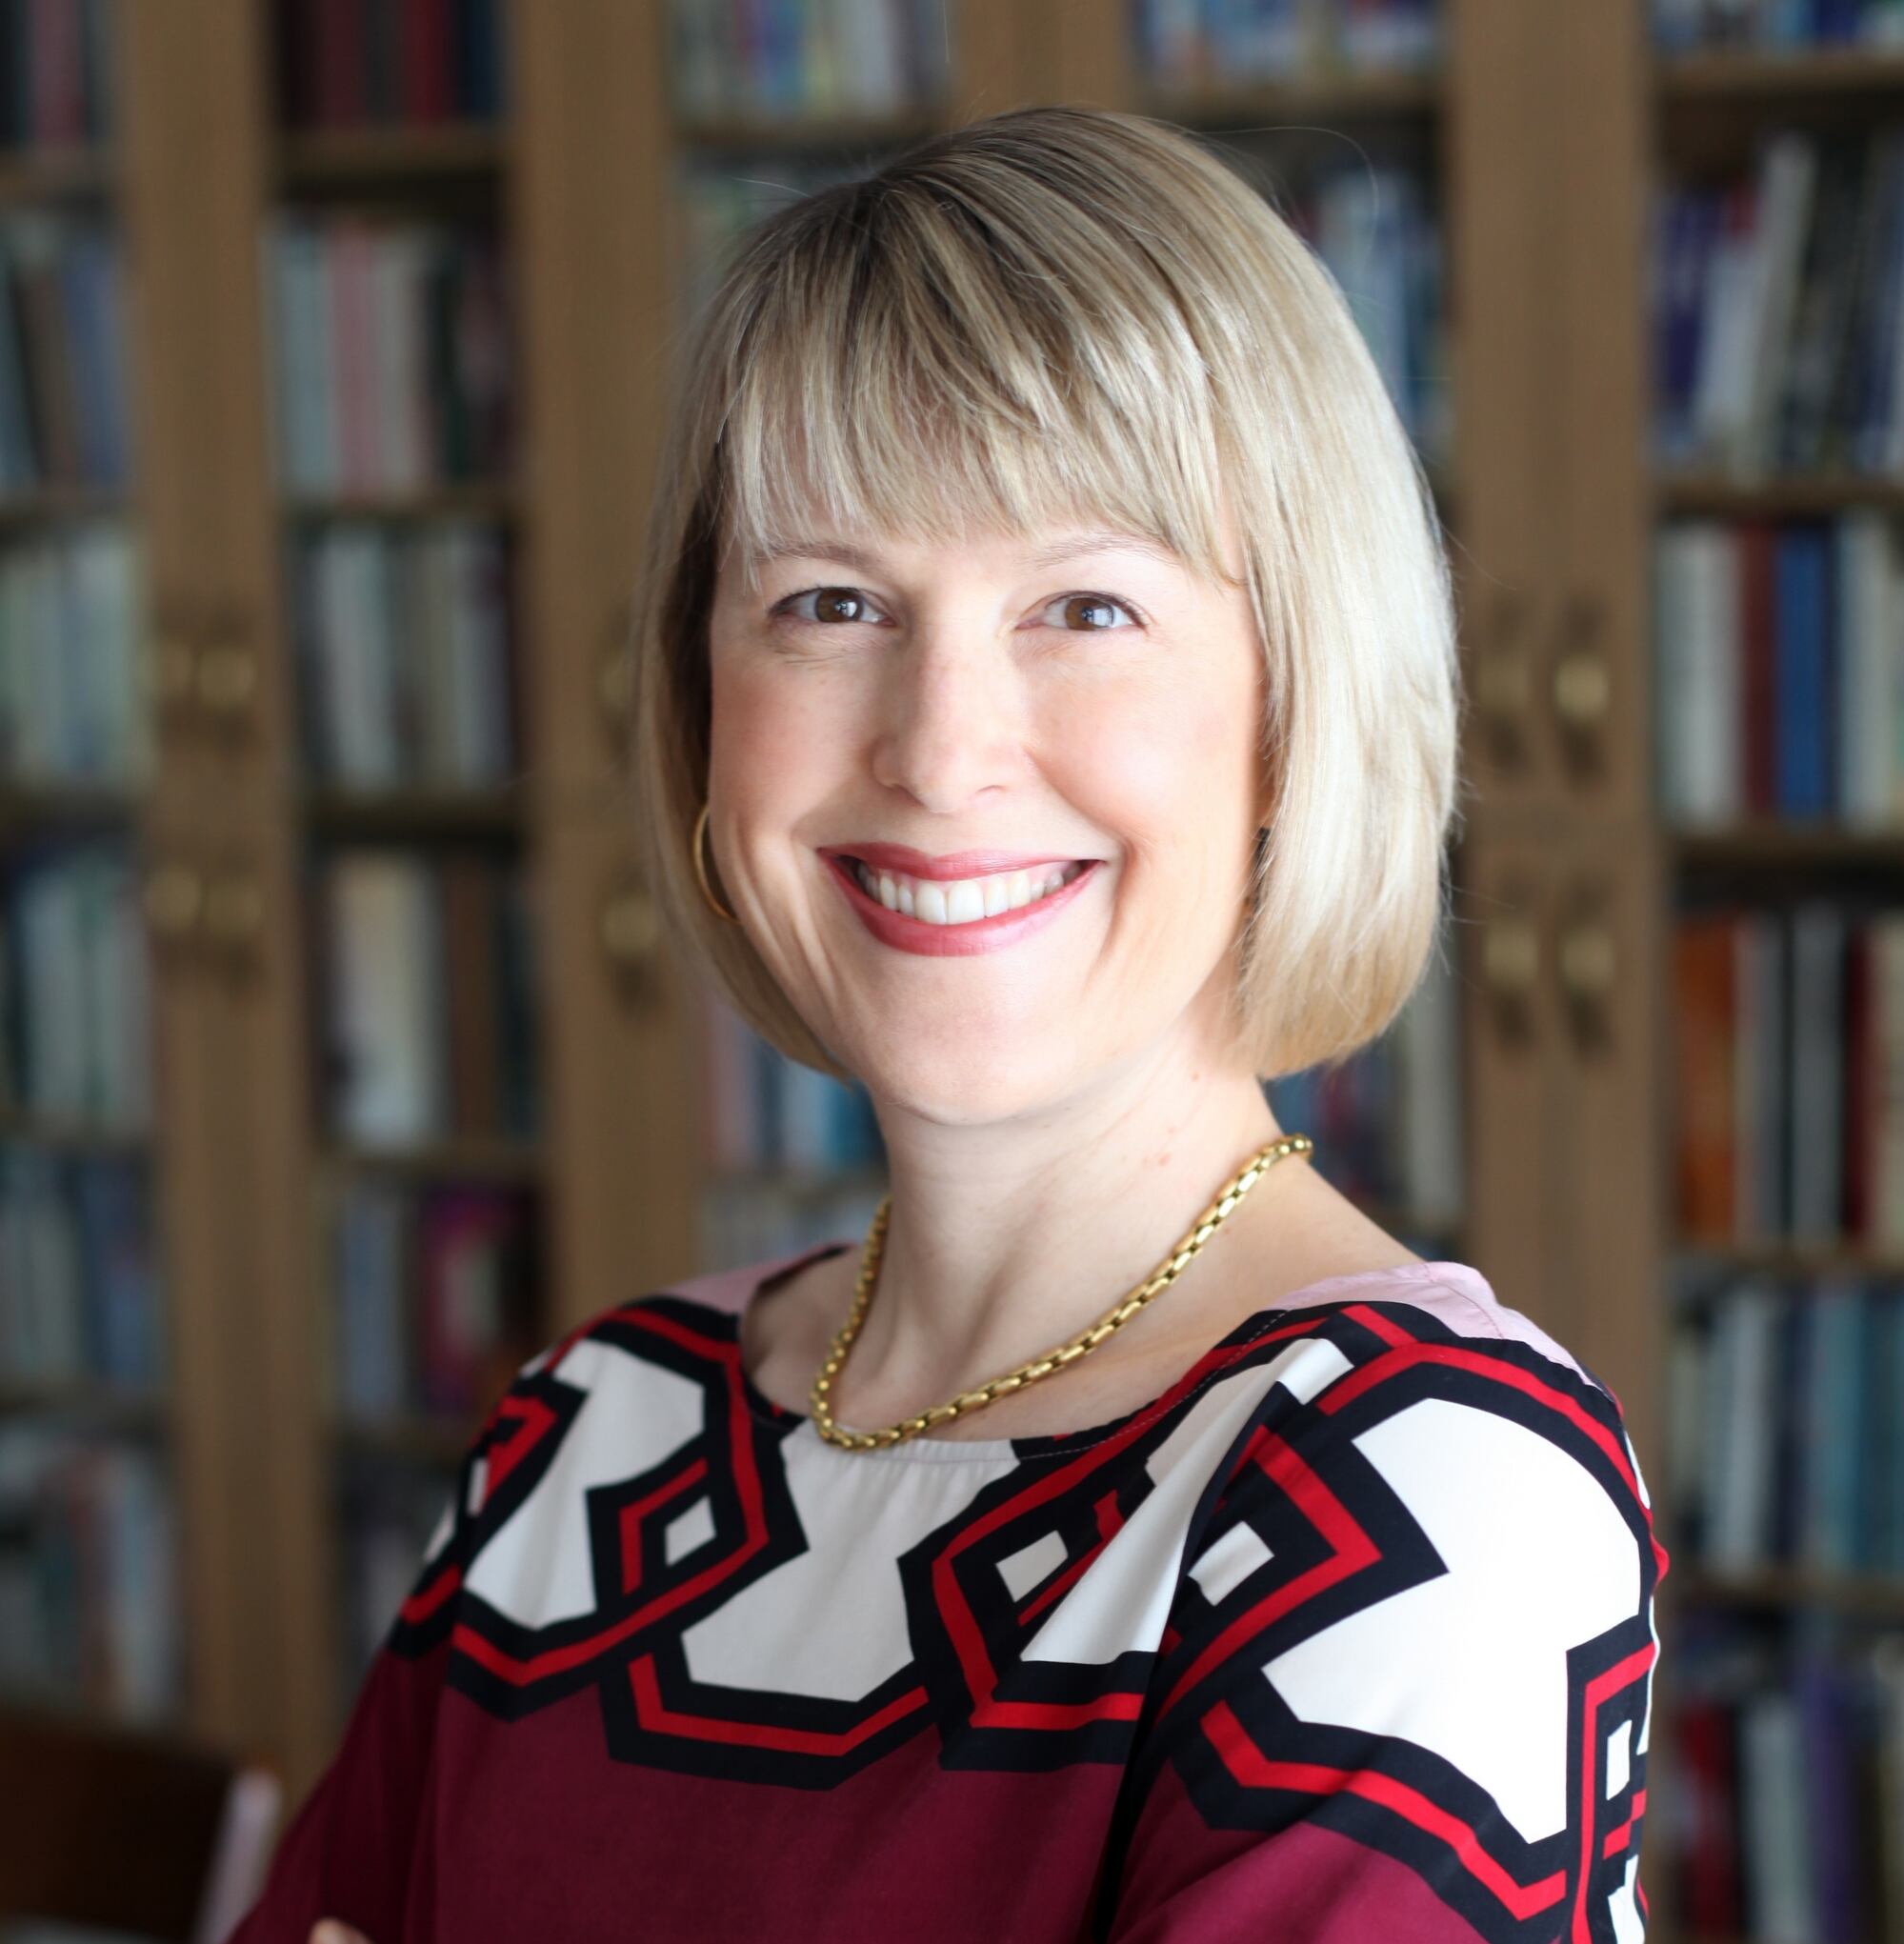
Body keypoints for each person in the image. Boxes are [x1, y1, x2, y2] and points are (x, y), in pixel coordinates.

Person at [236, 103, 1667, 1941]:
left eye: (1085, 604)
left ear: (1294, 712)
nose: (936, 749)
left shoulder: (1422, 1486)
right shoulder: (585, 1437)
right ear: (698, 697)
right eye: (829, 602)